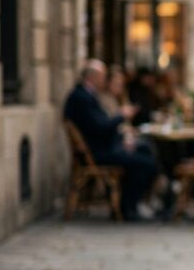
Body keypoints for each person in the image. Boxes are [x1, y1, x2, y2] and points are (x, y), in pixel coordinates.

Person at [64, 59, 158, 221]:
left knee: (145, 150)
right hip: (100, 152)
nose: (104, 80)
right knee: (146, 163)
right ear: (93, 77)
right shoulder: (82, 98)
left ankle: (131, 204)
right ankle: (127, 206)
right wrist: (121, 116)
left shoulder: (86, 96)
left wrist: (122, 137)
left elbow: (101, 126)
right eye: (103, 76)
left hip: (105, 147)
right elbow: (100, 127)